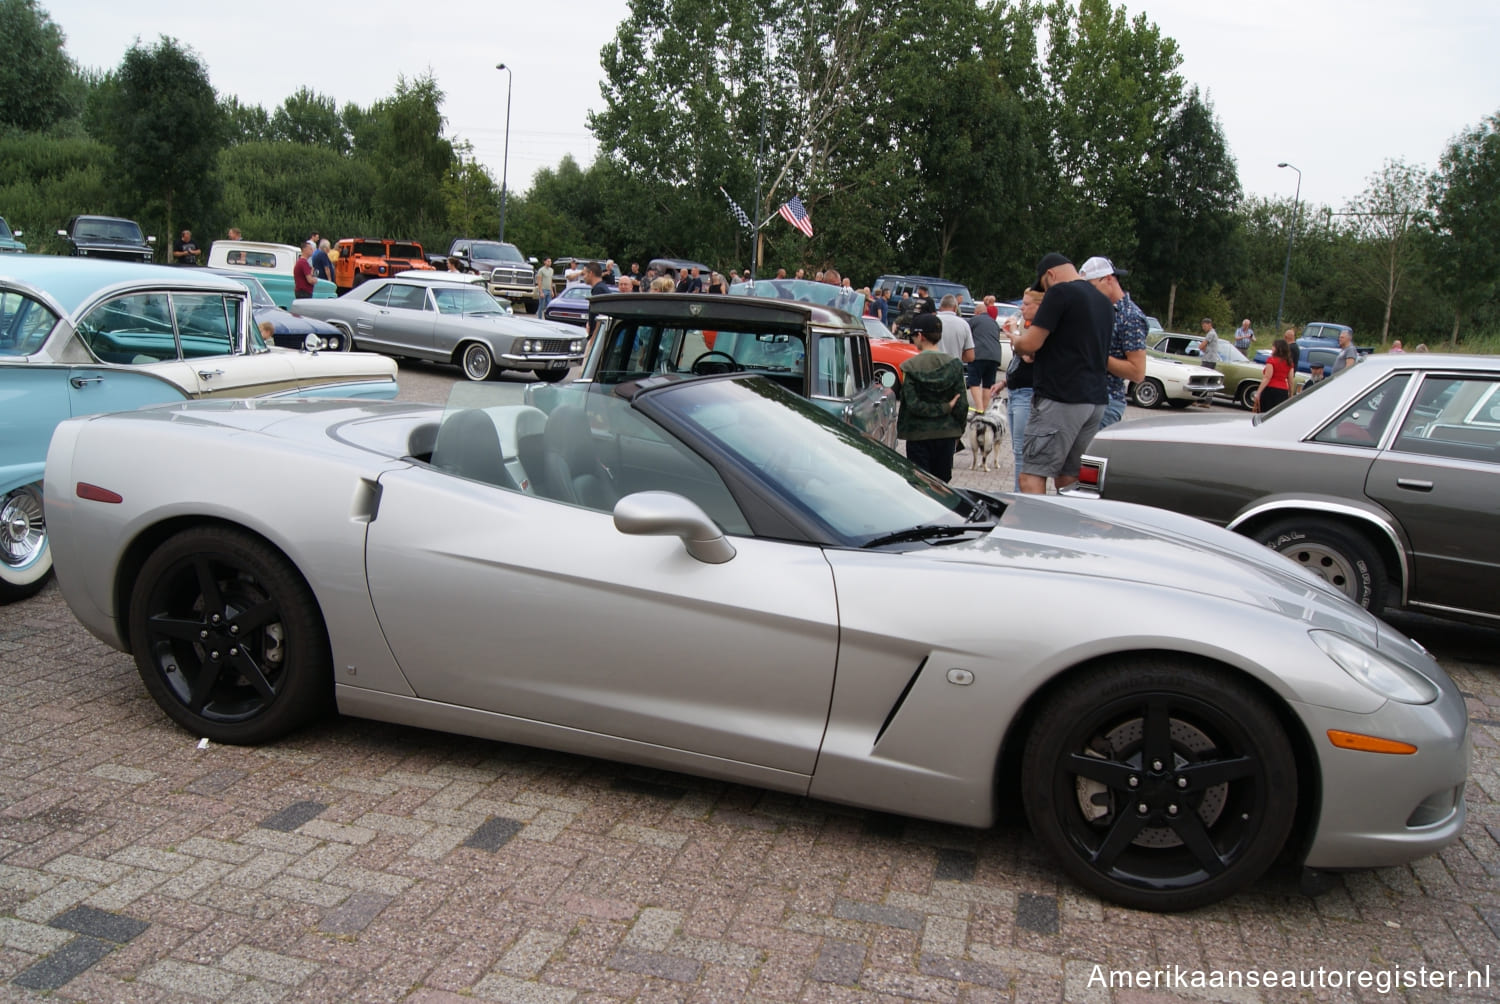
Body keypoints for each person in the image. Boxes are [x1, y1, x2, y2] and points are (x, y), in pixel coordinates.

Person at [1010, 253, 1112, 494]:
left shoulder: (1060, 293)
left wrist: (1017, 341)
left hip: (1060, 397)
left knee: (1031, 475)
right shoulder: (1103, 301)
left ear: (1051, 275)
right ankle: (1071, 529)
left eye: (1044, 285)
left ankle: (1036, 531)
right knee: (1071, 478)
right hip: (1095, 400)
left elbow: (1032, 343)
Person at [1078, 256, 1147, 430]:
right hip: (1082, 397)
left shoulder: (1130, 316)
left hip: (1107, 402)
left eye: (1091, 287)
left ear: (1108, 279)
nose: (1088, 293)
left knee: (1090, 457)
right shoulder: (1095, 309)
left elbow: (1137, 372)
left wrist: (1094, 354)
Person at [897, 313, 967, 482]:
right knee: (942, 484)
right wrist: (958, 431)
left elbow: (913, 405)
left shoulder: (910, 367)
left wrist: (943, 407)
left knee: (920, 483)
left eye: (913, 336)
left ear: (920, 336)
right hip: (946, 433)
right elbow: (962, 404)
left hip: (918, 435)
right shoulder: (955, 365)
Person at [992, 287, 1043, 492]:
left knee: (1023, 451)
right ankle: (1018, 494)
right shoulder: (1027, 326)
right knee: (1017, 450)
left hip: (1027, 394)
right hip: (1015, 392)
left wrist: (1013, 333)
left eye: (1027, 304)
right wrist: (1004, 383)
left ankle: (1019, 497)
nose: (1022, 308)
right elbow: (1018, 361)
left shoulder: (1038, 330)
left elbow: (1029, 356)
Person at [966, 297, 1005, 413]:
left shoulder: (974, 320)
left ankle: (979, 408)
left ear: (977, 312)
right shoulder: (994, 323)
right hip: (995, 356)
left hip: (979, 354)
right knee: (988, 384)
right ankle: (984, 409)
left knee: (974, 382)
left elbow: (967, 335)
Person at [1254, 338, 1293, 413]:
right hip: (1283, 391)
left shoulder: (1271, 360)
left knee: (1265, 414)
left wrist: (1258, 392)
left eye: (1273, 346)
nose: (1272, 348)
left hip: (1270, 389)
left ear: (1277, 348)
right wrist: (1290, 394)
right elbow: (1291, 380)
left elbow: (1267, 377)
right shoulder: (1289, 362)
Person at [936, 295, 975, 366]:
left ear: (940, 307)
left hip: (934, 367)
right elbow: (970, 356)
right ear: (955, 308)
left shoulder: (931, 321)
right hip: (954, 369)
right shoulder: (964, 324)